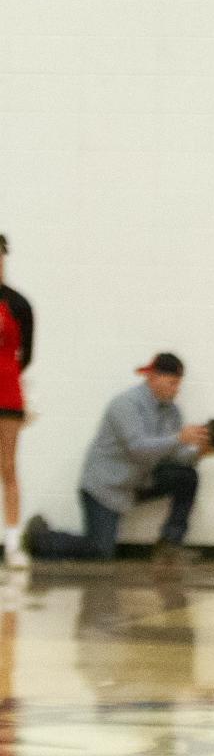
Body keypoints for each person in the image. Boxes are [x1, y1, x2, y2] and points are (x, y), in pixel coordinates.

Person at [23, 352, 213, 564]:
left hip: (137, 481)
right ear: (153, 378)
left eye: (178, 384)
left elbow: (173, 453)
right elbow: (137, 448)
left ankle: (170, 543)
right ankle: (39, 538)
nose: (176, 389)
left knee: (187, 476)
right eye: (171, 383)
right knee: (100, 551)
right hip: (105, 488)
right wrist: (179, 438)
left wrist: (199, 452)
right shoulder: (126, 405)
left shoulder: (172, 411)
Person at [0, 236, 33, 569]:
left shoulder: (18, 304)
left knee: (8, 466)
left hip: (7, 392)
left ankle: (12, 543)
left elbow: (28, 354)